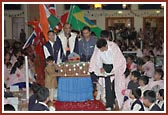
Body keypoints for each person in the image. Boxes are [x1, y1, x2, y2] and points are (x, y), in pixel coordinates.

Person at [93, 38, 126, 110]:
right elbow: (97, 59)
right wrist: (100, 67)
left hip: (115, 67)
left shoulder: (114, 47)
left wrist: (111, 69)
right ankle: (109, 104)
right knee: (108, 87)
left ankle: (114, 101)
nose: (101, 51)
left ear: (105, 46)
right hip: (105, 68)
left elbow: (119, 60)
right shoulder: (98, 49)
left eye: (102, 49)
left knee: (115, 87)